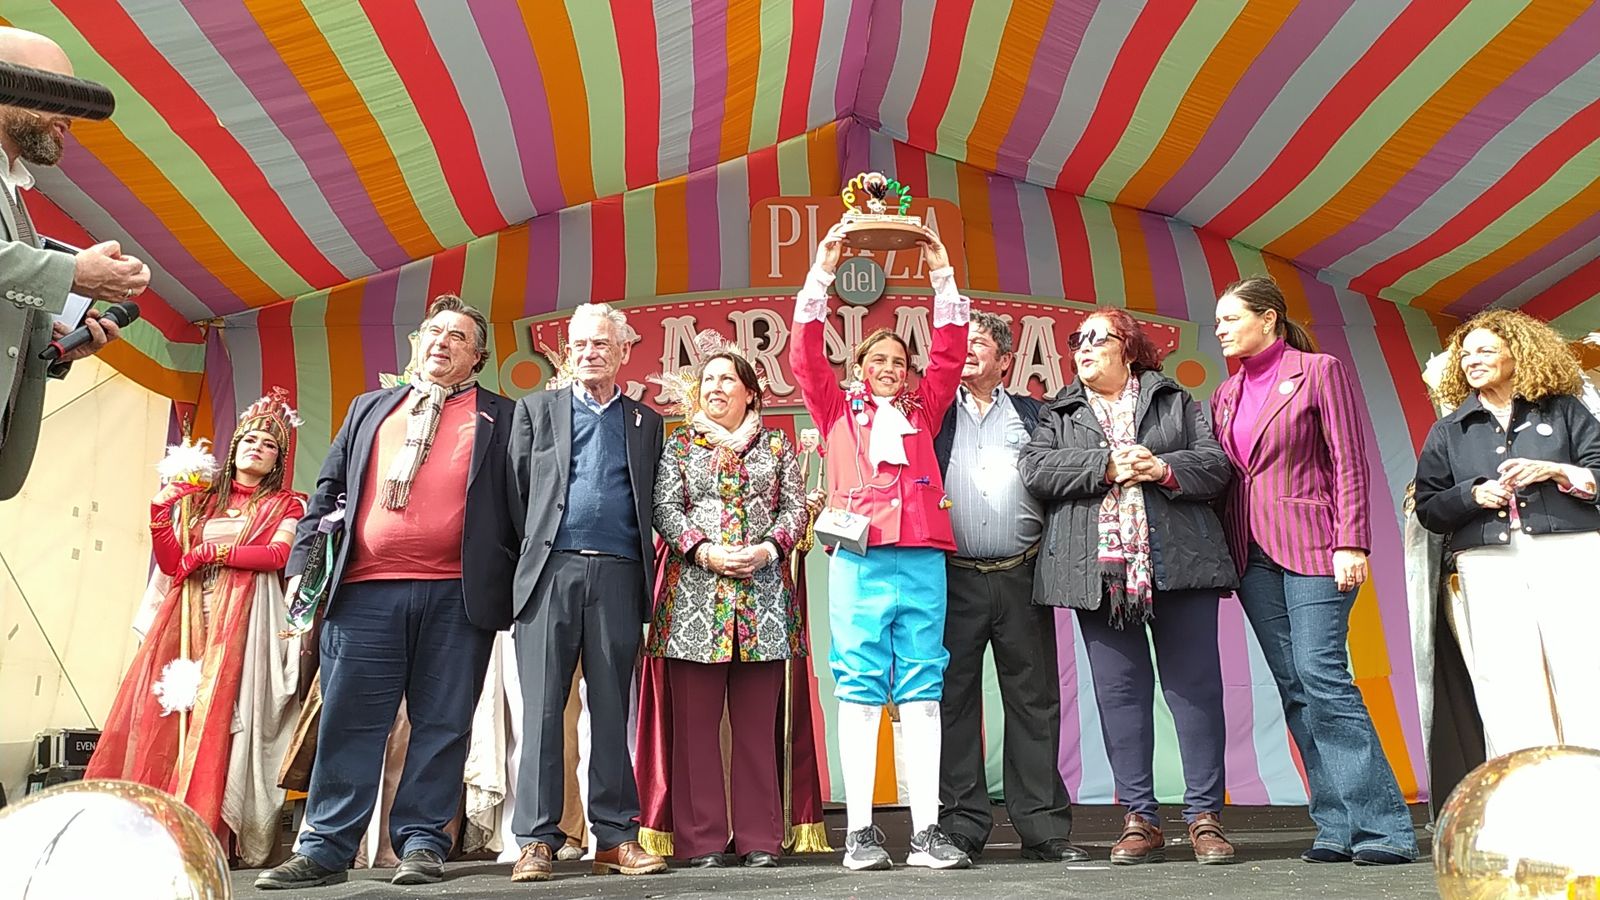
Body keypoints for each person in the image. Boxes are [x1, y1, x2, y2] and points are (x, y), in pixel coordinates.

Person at [255, 295, 518, 890]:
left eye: (457, 336)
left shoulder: (504, 417)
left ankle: (423, 844)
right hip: (364, 592)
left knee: (443, 722)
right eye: (433, 332)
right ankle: (324, 849)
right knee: (350, 720)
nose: (441, 342)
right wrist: (303, 564)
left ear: (477, 358)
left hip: (457, 595)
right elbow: (327, 490)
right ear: (417, 342)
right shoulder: (370, 408)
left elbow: (518, 505)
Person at [1210, 276, 1417, 866]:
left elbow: (1350, 459)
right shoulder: (1225, 394)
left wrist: (1352, 542)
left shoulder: (1320, 369)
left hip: (1316, 547)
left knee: (1323, 677)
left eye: (1230, 319)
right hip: (1251, 556)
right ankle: (1336, 825)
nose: (1220, 329)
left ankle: (1383, 830)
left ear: (1268, 319)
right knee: (1296, 688)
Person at [1018, 309, 1237, 865]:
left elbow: (1215, 465)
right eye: (1077, 340)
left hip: (1179, 564)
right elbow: (1036, 470)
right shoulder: (1058, 410)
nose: (1084, 348)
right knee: (1119, 696)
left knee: (1195, 691)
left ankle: (1204, 816)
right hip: (1098, 575)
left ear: (1130, 349)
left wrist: (1162, 468)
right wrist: (1106, 466)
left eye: (1098, 338)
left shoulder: (1174, 401)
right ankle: (1140, 816)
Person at [789, 222, 971, 871]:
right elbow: (804, 351)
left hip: (922, 556)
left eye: (898, 360)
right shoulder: (836, 409)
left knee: (924, 688)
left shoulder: (926, 408)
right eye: (877, 360)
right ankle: (860, 834)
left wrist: (942, 271)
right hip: (859, 561)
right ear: (858, 368)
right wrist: (822, 268)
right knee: (860, 689)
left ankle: (926, 833)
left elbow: (950, 350)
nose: (889, 368)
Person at [87, 389, 306, 865]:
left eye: (269, 444)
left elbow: (277, 556)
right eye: (249, 438)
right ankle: (150, 829)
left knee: (222, 722)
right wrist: (160, 512)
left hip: (243, 623)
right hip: (184, 618)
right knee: (167, 718)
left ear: (278, 461)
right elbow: (171, 563)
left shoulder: (288, 504)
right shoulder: (199, 500)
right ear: (233, 449)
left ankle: (205, 832)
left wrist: (214, 552)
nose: (257, 447)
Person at [506, 302, 668, 882]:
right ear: (566, 350)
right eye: (579, 343)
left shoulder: (647, 422)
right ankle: (536, 840)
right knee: (544, 711)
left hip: (620, 574)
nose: (589, 352)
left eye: (602, 343)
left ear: (625, 351)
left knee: (611, 709)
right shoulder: (534, 410)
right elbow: (512, 498)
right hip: (550, 573)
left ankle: (616, 836)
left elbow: (653, 499)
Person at [929, 310, 1084, 863]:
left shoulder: (1035, 416)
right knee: (952, 701)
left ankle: (1042, 827)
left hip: (1023, 575)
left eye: (978, 344)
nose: (966, 351)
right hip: (953, 578)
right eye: (960, 343)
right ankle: (960, 824)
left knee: (1035, 702)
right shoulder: (931, 413)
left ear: (1005, 359)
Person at [646, 347, 808, 868]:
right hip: (694, 600)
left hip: (763, 601)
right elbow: (664, 506)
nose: (715, 388)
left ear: (750, 392)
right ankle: (702, 842)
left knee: (757, 727)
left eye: (726, 379)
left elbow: (796, 506)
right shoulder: (679, 447)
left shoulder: (778, 445)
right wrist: (704, 549)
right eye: (708, 380)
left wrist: (766, 550)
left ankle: (760, 838)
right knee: (695, 730)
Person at [1414, 310, 1600, 756]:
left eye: (1485, 351)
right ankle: (1529, 790)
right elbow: (1428, 507)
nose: (1471, 361)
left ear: (1519, 354)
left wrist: (1556, 470)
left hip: (1569, 552)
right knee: (1509, 680)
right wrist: (1471, 496)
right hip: (1488, 564)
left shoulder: (1564, 411)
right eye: (1466, 355)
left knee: (1584, 668)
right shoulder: (1450, 429)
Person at [0, 26, 150, 500]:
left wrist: (51, 349)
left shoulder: (12, 188)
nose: (69, 117)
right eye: (53, 94)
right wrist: (74, 273)